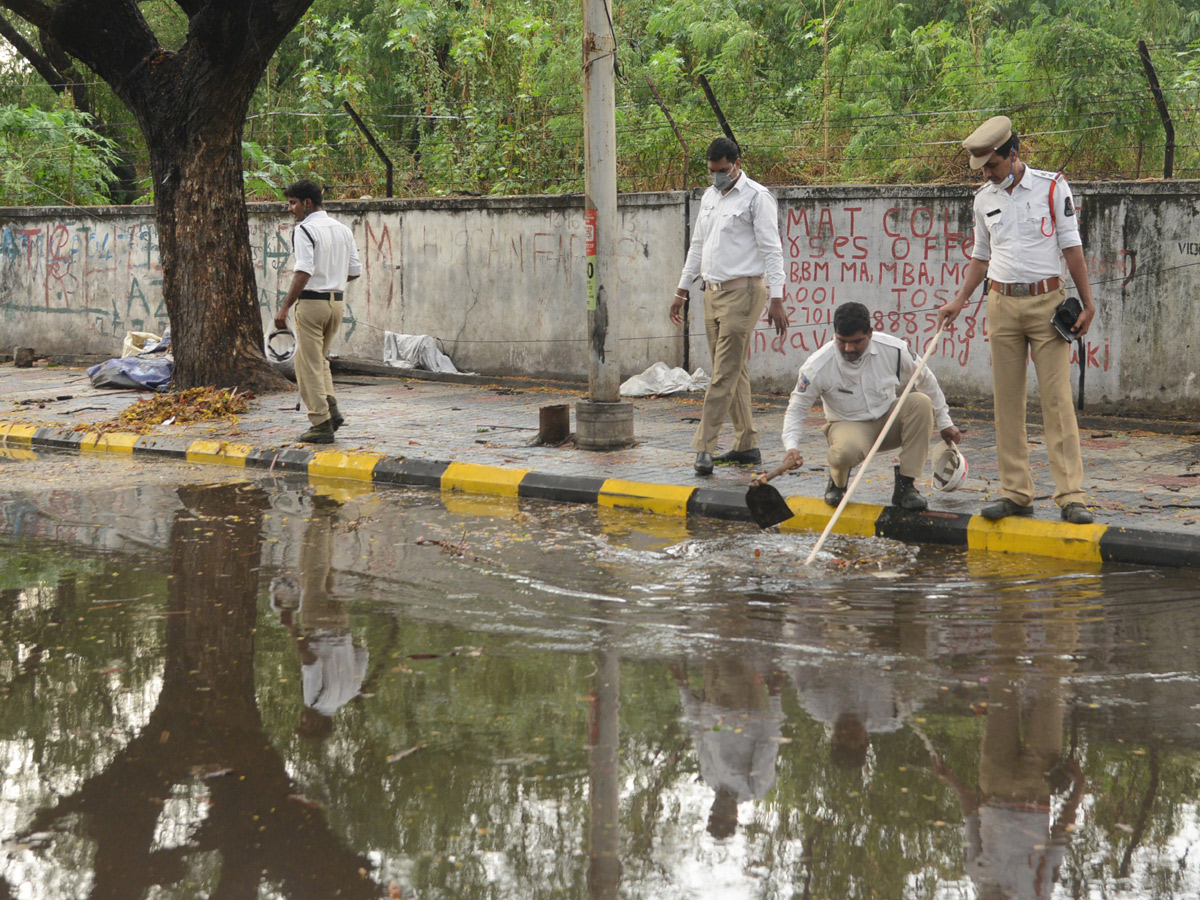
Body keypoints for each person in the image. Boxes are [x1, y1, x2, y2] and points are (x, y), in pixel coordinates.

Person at [936, 116, 1097, 524]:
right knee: (1006, 402)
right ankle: (1016, 492)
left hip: (1047, 303)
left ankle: (1070, 495)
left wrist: (1089, 302)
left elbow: (1072, 246)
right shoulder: (982, 199)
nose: (988, 174)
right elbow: (980, 255)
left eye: (992, 165)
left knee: (1057, 402)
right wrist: (959, 300)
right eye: (983, 168)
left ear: (1013, 154)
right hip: (1001, 304)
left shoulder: (1051, 186)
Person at [670, 137, 789, 476]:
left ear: (736, 163)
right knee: (734, 370)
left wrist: (777, 297)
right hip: (712, 292)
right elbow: (697, 246)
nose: (717, 177)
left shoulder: (757, 197)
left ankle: (704, 447)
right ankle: (746, 445)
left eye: (722, 171)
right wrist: (682, 290)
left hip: (745, 293)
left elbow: (772, 250)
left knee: (722, 373)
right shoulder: (709, 197)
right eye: (711, 172)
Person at [780, 302, 961, 512]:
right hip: (848, 425)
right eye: (842, 341)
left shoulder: (894, 349)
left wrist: (945, 421)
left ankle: (906, 487)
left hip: (888, 421)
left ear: (870, 334)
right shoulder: (817, 365)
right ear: (835, 335)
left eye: (857, 342)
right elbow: (796, 408)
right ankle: (837, 483)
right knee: (844, 453)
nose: (849, 349)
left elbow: (925, 378)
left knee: (920, 402)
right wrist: (792, 446)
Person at [274, 179, 362, 444]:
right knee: (320, 361)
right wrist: (331, 281)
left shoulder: (304, 229)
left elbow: (303, 271)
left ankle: (320, 422)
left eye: (293, 203)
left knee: (307, 366)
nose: (290, 209)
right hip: (336, 303)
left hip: (311, 305)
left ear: (307, 203)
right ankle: (331, 409)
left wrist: (285, 307)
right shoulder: (342, 229)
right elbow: (354, 271)